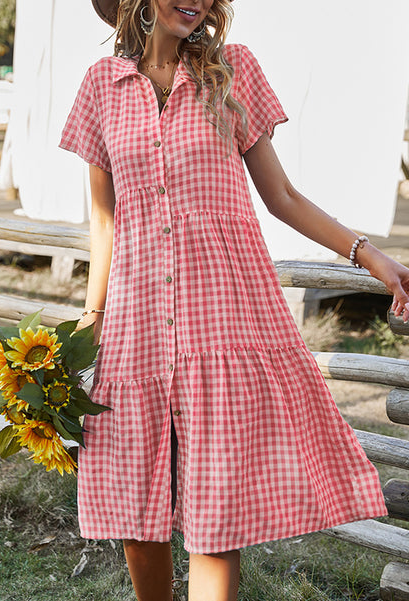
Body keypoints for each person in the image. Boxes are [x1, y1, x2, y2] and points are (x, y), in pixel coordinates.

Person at [59, 1, 409, 600]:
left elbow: (283, 197)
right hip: (136, 327)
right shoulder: (101, 85)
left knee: (214, 519)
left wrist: (369, 255)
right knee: (135, 514)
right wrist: (91, 322)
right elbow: (105, 219)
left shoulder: (232, 70)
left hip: (222, 321)